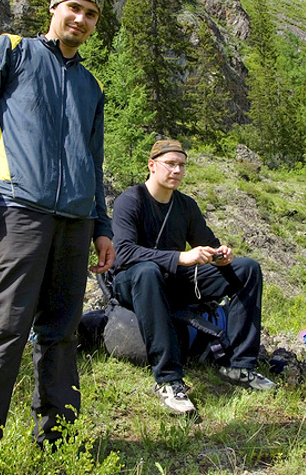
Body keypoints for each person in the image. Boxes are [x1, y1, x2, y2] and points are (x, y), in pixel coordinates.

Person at [0, 0, 115, 447]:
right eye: (74, 8)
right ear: (54, 7)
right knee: (6, 326)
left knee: (62, 332)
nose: (81, 19)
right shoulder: (12, 50)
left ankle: (58, 440)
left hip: (76, 220)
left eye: (91, 14)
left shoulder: (91, 84)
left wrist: (102, 225)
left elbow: (93, 160)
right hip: (19, 208)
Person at [110, 139, 274, 415]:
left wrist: (222, 254)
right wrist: (179, 258)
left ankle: (238, 365)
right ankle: (168, 379)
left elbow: (207, 244)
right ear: (152, 166)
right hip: (133, 281)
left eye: (182, 166)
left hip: (174, 280)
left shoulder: (185, 206)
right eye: (170, 164)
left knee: (247, 269)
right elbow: (123, 253)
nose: (177, 171)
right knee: (148, 271)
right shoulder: (130, 200)